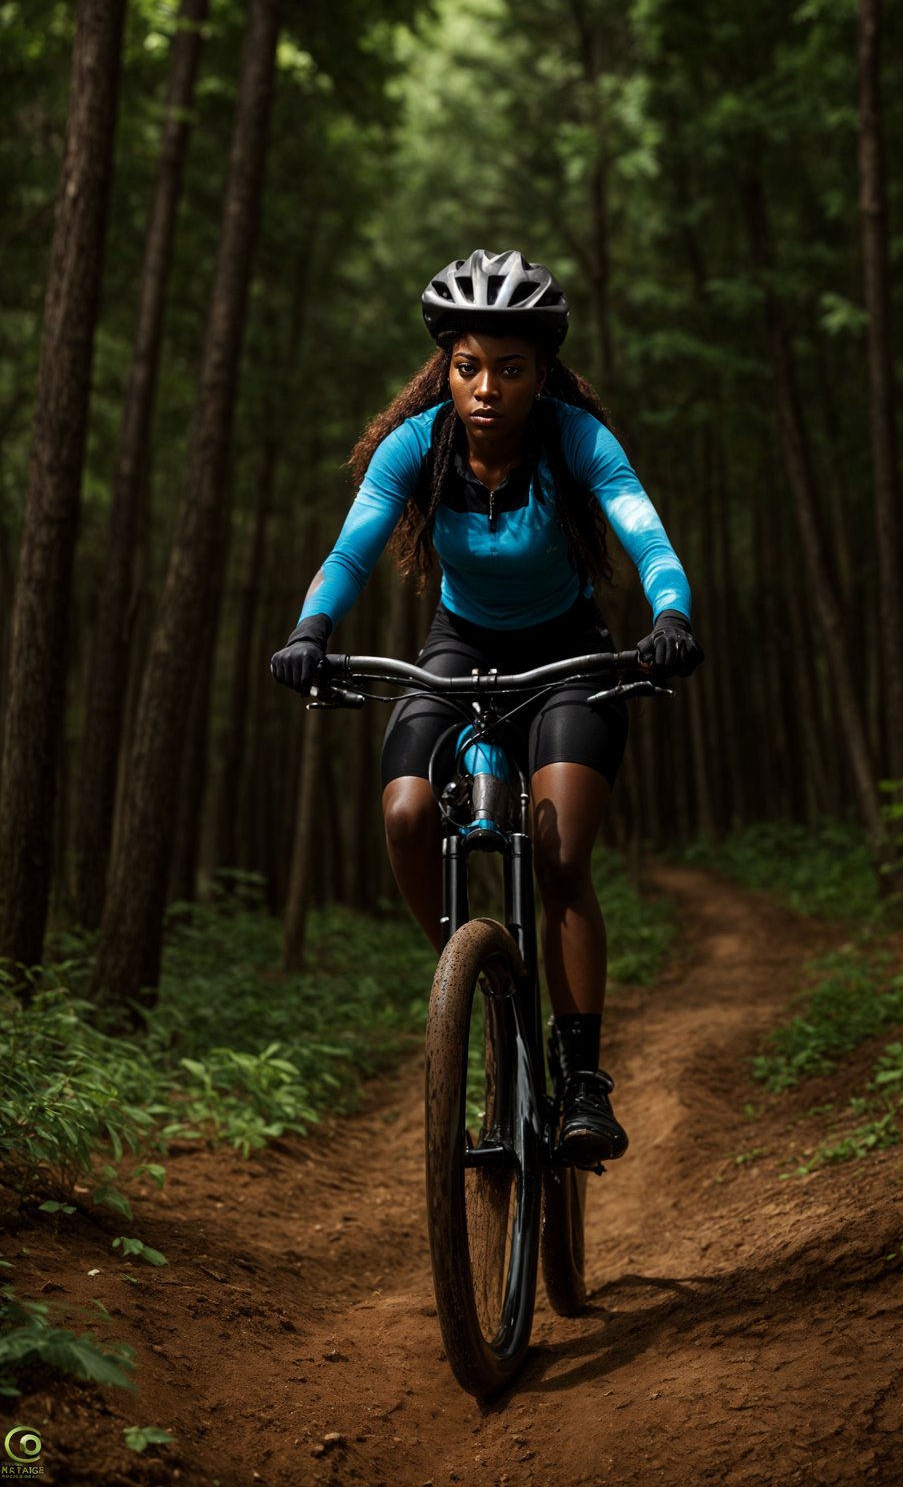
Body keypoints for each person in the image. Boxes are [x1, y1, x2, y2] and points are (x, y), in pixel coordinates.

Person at [271, 248, 702, 1165]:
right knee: (405, 813)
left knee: (558, 853)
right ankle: (466, 979)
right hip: (458, 648)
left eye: (510, 369)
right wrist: (312, 628)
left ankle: (582, 1078)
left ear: (542, 372)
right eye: (469, 366)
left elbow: (643, 530)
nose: (488, 388)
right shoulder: (414, 446)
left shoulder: (576, 438)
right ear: (445, 368)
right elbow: (351, 551)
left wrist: (670, 614)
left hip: (570, 651)